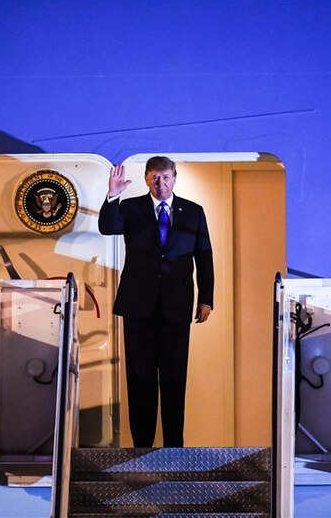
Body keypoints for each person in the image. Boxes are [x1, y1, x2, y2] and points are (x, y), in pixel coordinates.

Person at [98, 156, 214, 448]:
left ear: (174, 178)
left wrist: (206, 300)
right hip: (138, 308)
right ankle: (142, 450)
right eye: (154, 178)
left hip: (177, 308)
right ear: (146, 178)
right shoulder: (131, 207)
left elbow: (205, 257)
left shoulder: (194, 212)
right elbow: (107, 227)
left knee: (175, 382)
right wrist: (112, 195)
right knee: (140, 382)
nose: (160, 184)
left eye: (165, 178)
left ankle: (174, 449)